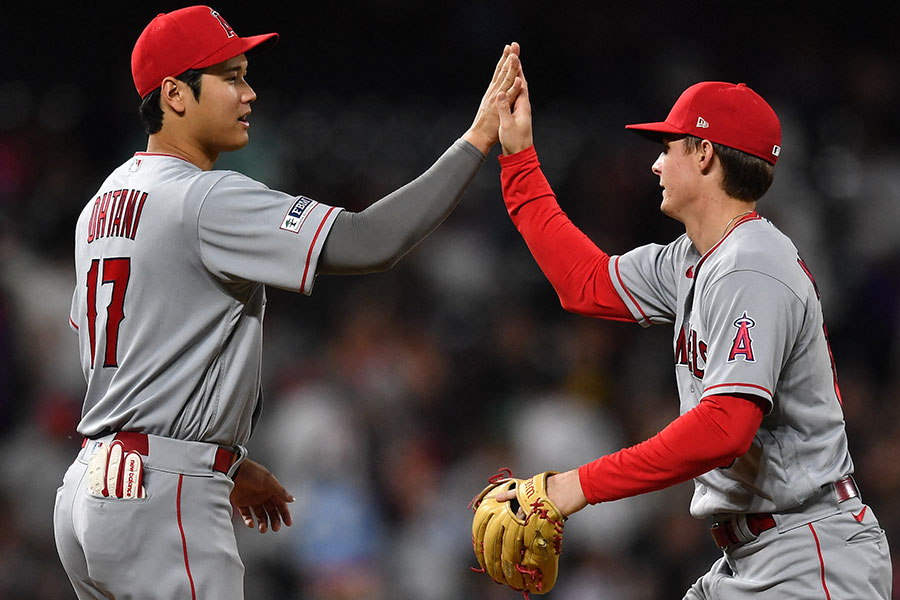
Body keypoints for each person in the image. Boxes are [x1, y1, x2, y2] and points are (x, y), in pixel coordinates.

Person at [53, 5, 522, 599]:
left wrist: (219, 461)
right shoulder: (203, 197)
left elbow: (129, 356)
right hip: (160, 494)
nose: (249, 94)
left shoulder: (101, 202)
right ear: (174, 94)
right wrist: (478, 138)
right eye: (231, 77)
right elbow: (368, 241)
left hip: (89, 487)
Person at [490, 64, 892, 597]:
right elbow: (584, 283)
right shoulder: (695, 258)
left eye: (668, 147)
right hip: (755, 554)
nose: (655, 164)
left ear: (704, 153)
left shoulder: (753, 264)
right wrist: (520, 159)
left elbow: (723, 429)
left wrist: (573, 487)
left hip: (808, 554)